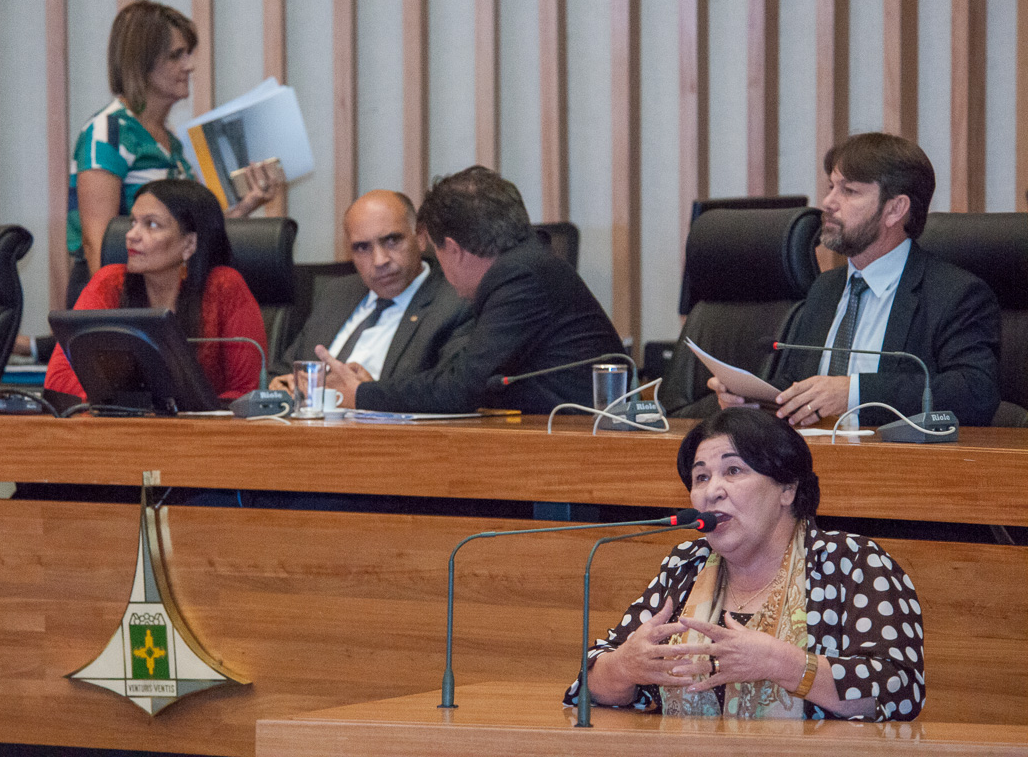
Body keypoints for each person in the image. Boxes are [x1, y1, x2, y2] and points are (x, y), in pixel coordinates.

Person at [567, 407, 925, 721]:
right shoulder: (686, 565)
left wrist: (783, 664)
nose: (712, 491)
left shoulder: (852, 562)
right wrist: (624, 667)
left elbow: (900, 690)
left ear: (787, 489)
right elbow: (590, 684)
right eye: (701, 477)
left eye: (733, 471)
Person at [709, 132, 1000, 427]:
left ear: (895, 209)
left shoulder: (955, 294)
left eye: (849, 191)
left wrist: (854, 393)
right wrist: (756, 399)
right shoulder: (826, 288)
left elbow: (975, 393)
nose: (828, 202)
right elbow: (801, 382)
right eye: (831, 187)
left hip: (892, 452)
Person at [318, 166, 623, 414]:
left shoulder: (520, 279)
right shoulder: (526, 267)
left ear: (452, 249)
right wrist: (375, 390)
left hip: (588, 446)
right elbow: (461, 374)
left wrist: (362, 394)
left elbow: (460, 389)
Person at [66, 0, 283, 307]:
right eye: (176, 55)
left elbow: (187, 236)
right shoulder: (108, 132)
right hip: (120, 300)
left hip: (161, 294)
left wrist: (245, 206)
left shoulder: (171, 143)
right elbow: (98, 245)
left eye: (188, 53)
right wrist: (120, 317)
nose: (189, 65)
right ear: (141, 63)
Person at [45, 178, 265, 401]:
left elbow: (246, 390)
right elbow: (59, 379)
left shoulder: (224, 287)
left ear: (189, 244)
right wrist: (121, 404)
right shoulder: (110, 282)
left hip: (207, 423)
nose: (131, 235)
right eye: (133, 222)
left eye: (151, 225)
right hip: (118, 421)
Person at [269, 189, 471, 390]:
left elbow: (453, 393)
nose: (379, 260)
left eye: (392, 241)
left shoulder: (455, 302)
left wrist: (370, 395)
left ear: (420, 236)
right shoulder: (336, 293)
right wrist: (280, 385)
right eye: (362, 248)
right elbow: (283, 371)